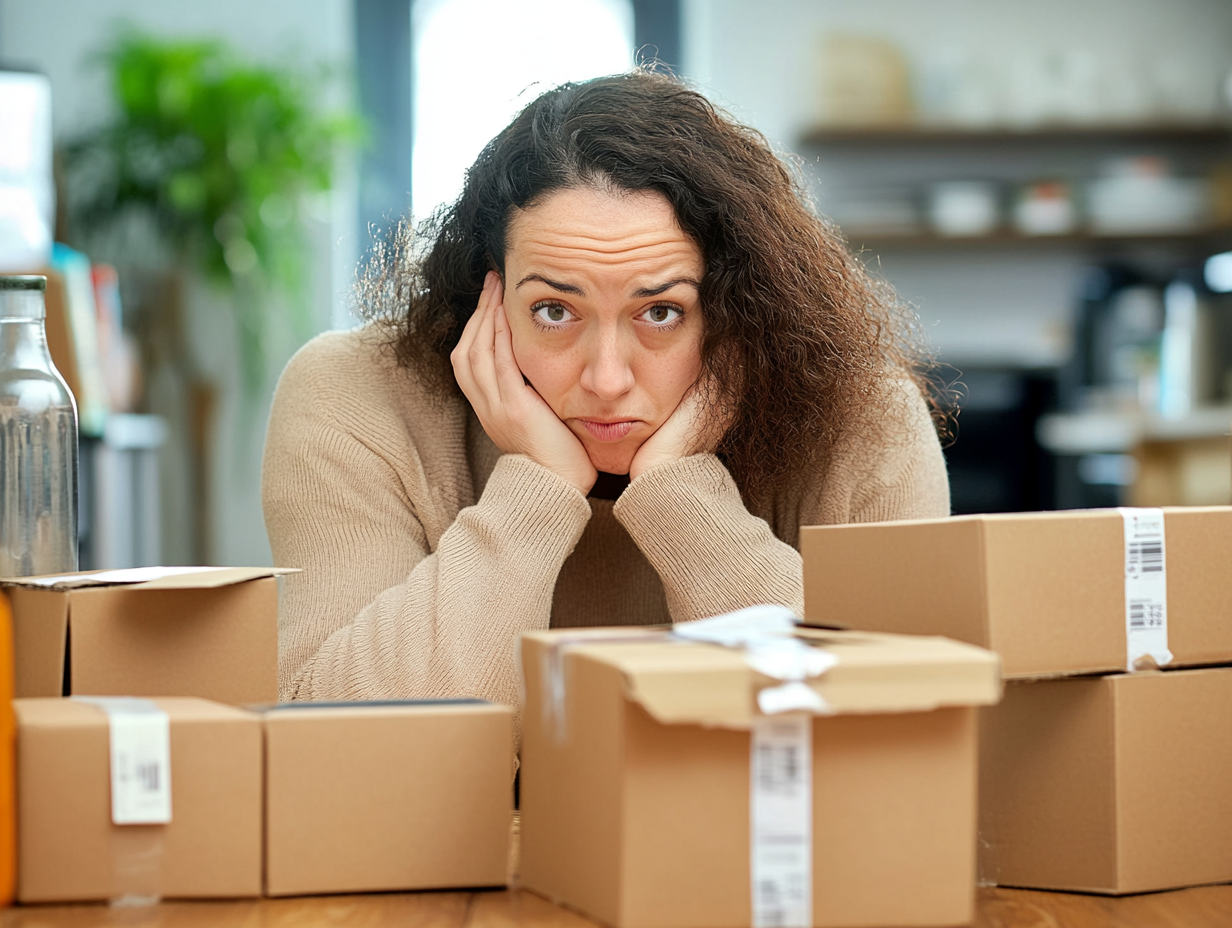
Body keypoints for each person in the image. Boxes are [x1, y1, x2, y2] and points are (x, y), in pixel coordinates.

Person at [263, 69, 949, 707]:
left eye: (661, 313)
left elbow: (892, 725)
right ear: (488, 299)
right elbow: (343, 741)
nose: (607, 379)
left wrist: (681, 497)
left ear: (741, 312)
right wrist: (535, 492)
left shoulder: (862, 414)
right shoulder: (357, 395)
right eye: (554, 312)